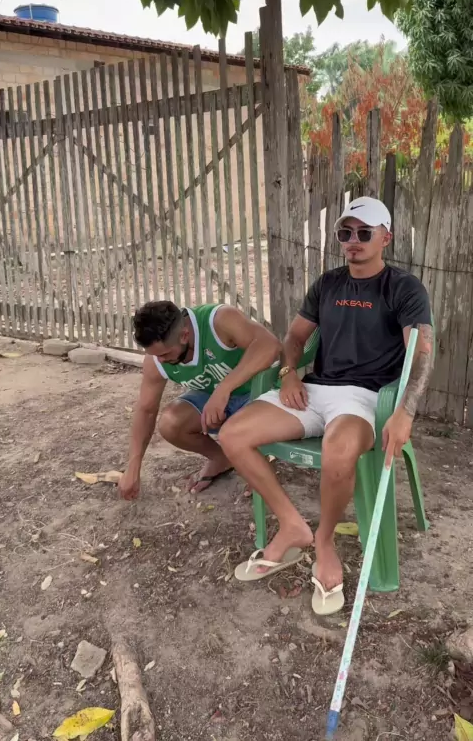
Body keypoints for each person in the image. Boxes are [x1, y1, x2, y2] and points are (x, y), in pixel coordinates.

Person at [219, 196, 434, 615]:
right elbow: (295, 337)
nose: (353, 240)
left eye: (364, 233)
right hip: (315, 390)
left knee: (339, 450)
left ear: (386, 238)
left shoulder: (404, 288)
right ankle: (292, 525)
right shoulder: (328, 283)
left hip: (366, 397)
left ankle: (325, 541)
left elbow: (420, 356)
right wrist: (289, 373)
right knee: (232, 435)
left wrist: (404, 411)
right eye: (345, 232)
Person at [118, 300, 281, 500]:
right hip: (218, 400)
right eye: (154, 355)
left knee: (234, 432)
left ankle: (258, 461)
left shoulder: (219, 320)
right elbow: (146, 410)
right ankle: (222, 459)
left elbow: (269, 345)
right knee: (170, 423)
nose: (160, 360)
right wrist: (133, 467)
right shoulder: (156, 360)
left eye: (165, 353)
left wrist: (223, 389)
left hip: (259, 394)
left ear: (184, 335)